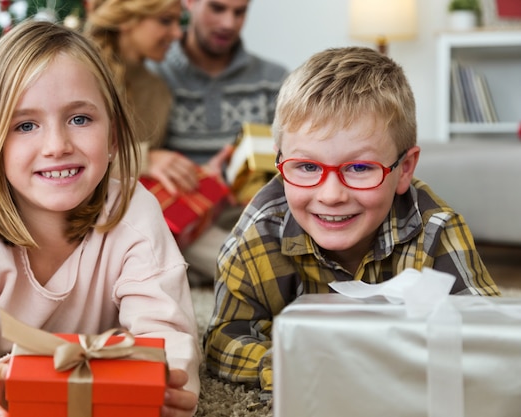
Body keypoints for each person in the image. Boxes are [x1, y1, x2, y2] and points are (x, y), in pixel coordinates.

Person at [0, 20, 200, 417]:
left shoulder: (133, 209)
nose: (57, 146)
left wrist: (166, 382)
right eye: (25, 125)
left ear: (112, 137)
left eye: (79, 119)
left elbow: (167, 332)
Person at [203, 46, 501, 400]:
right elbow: (223, 340)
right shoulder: (257, 236)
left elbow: (488, 337)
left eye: (359, 168)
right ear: (280, 162)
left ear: (404, 170)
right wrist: (290, 365)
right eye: (307, 167)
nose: (331, 195)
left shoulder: (437, 230)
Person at [148, 0, 289, 285]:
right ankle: (255, 273)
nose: (229, 23)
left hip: (250, 215)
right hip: (184, 215)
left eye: (240, 12)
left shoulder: (274, 80)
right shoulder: (155, 74)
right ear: (189, 3)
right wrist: (201, 179)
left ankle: (215, 271)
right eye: (217, 8)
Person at [83, 0, 186, 181]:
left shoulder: (158, 92)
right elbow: (69, 156)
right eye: (166, 20)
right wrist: (145, 160)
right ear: (125, 19)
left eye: (179, 21)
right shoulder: (81, 74)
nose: (178, 33)